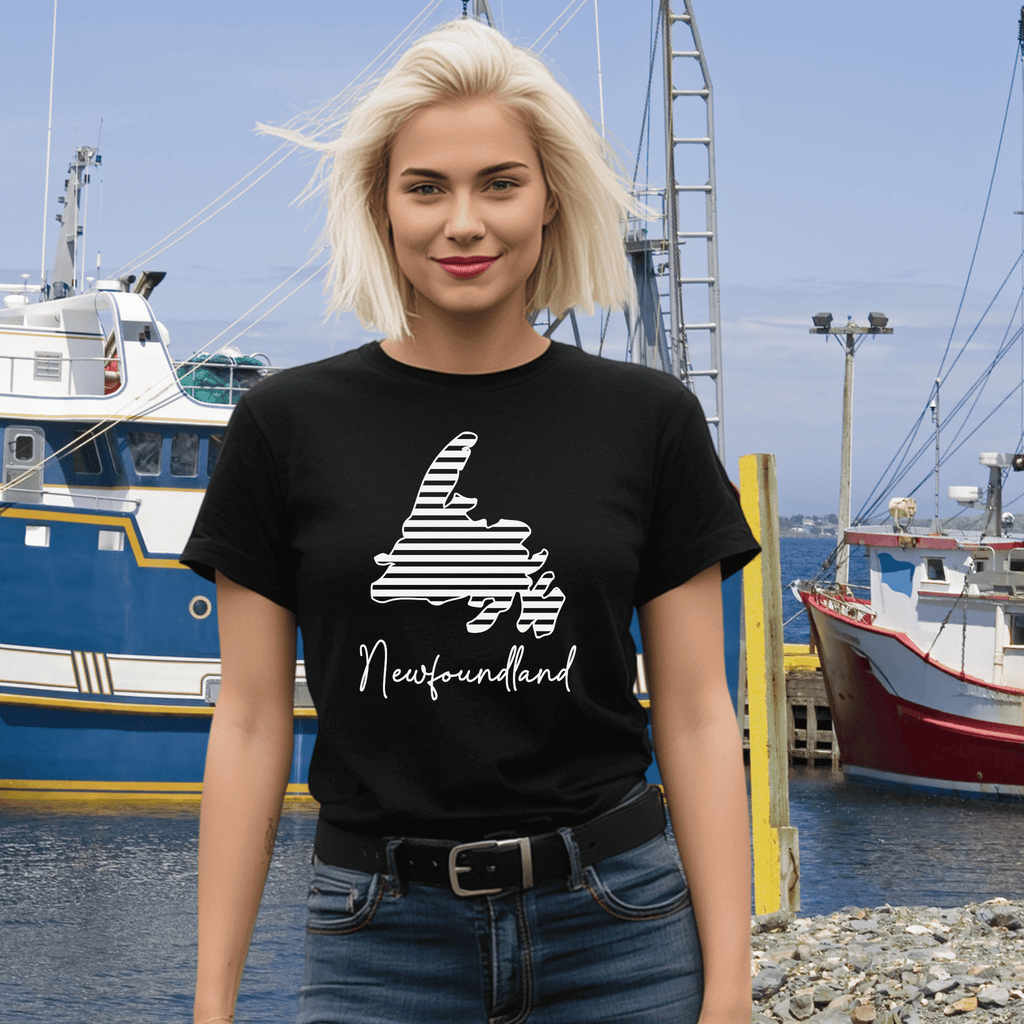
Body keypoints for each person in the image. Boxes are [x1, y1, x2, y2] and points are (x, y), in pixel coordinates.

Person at [182, 17, 759, 1024]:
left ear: (550, 201)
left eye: (500, 183)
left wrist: (728, 987)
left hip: (619, 926)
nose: (463, 222)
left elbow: (700, 713)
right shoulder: (282, 425)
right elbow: (248, 719)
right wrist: (212, 1002)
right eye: (426, 187)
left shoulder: (648, 419)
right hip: (376, 937)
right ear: (380, 204)